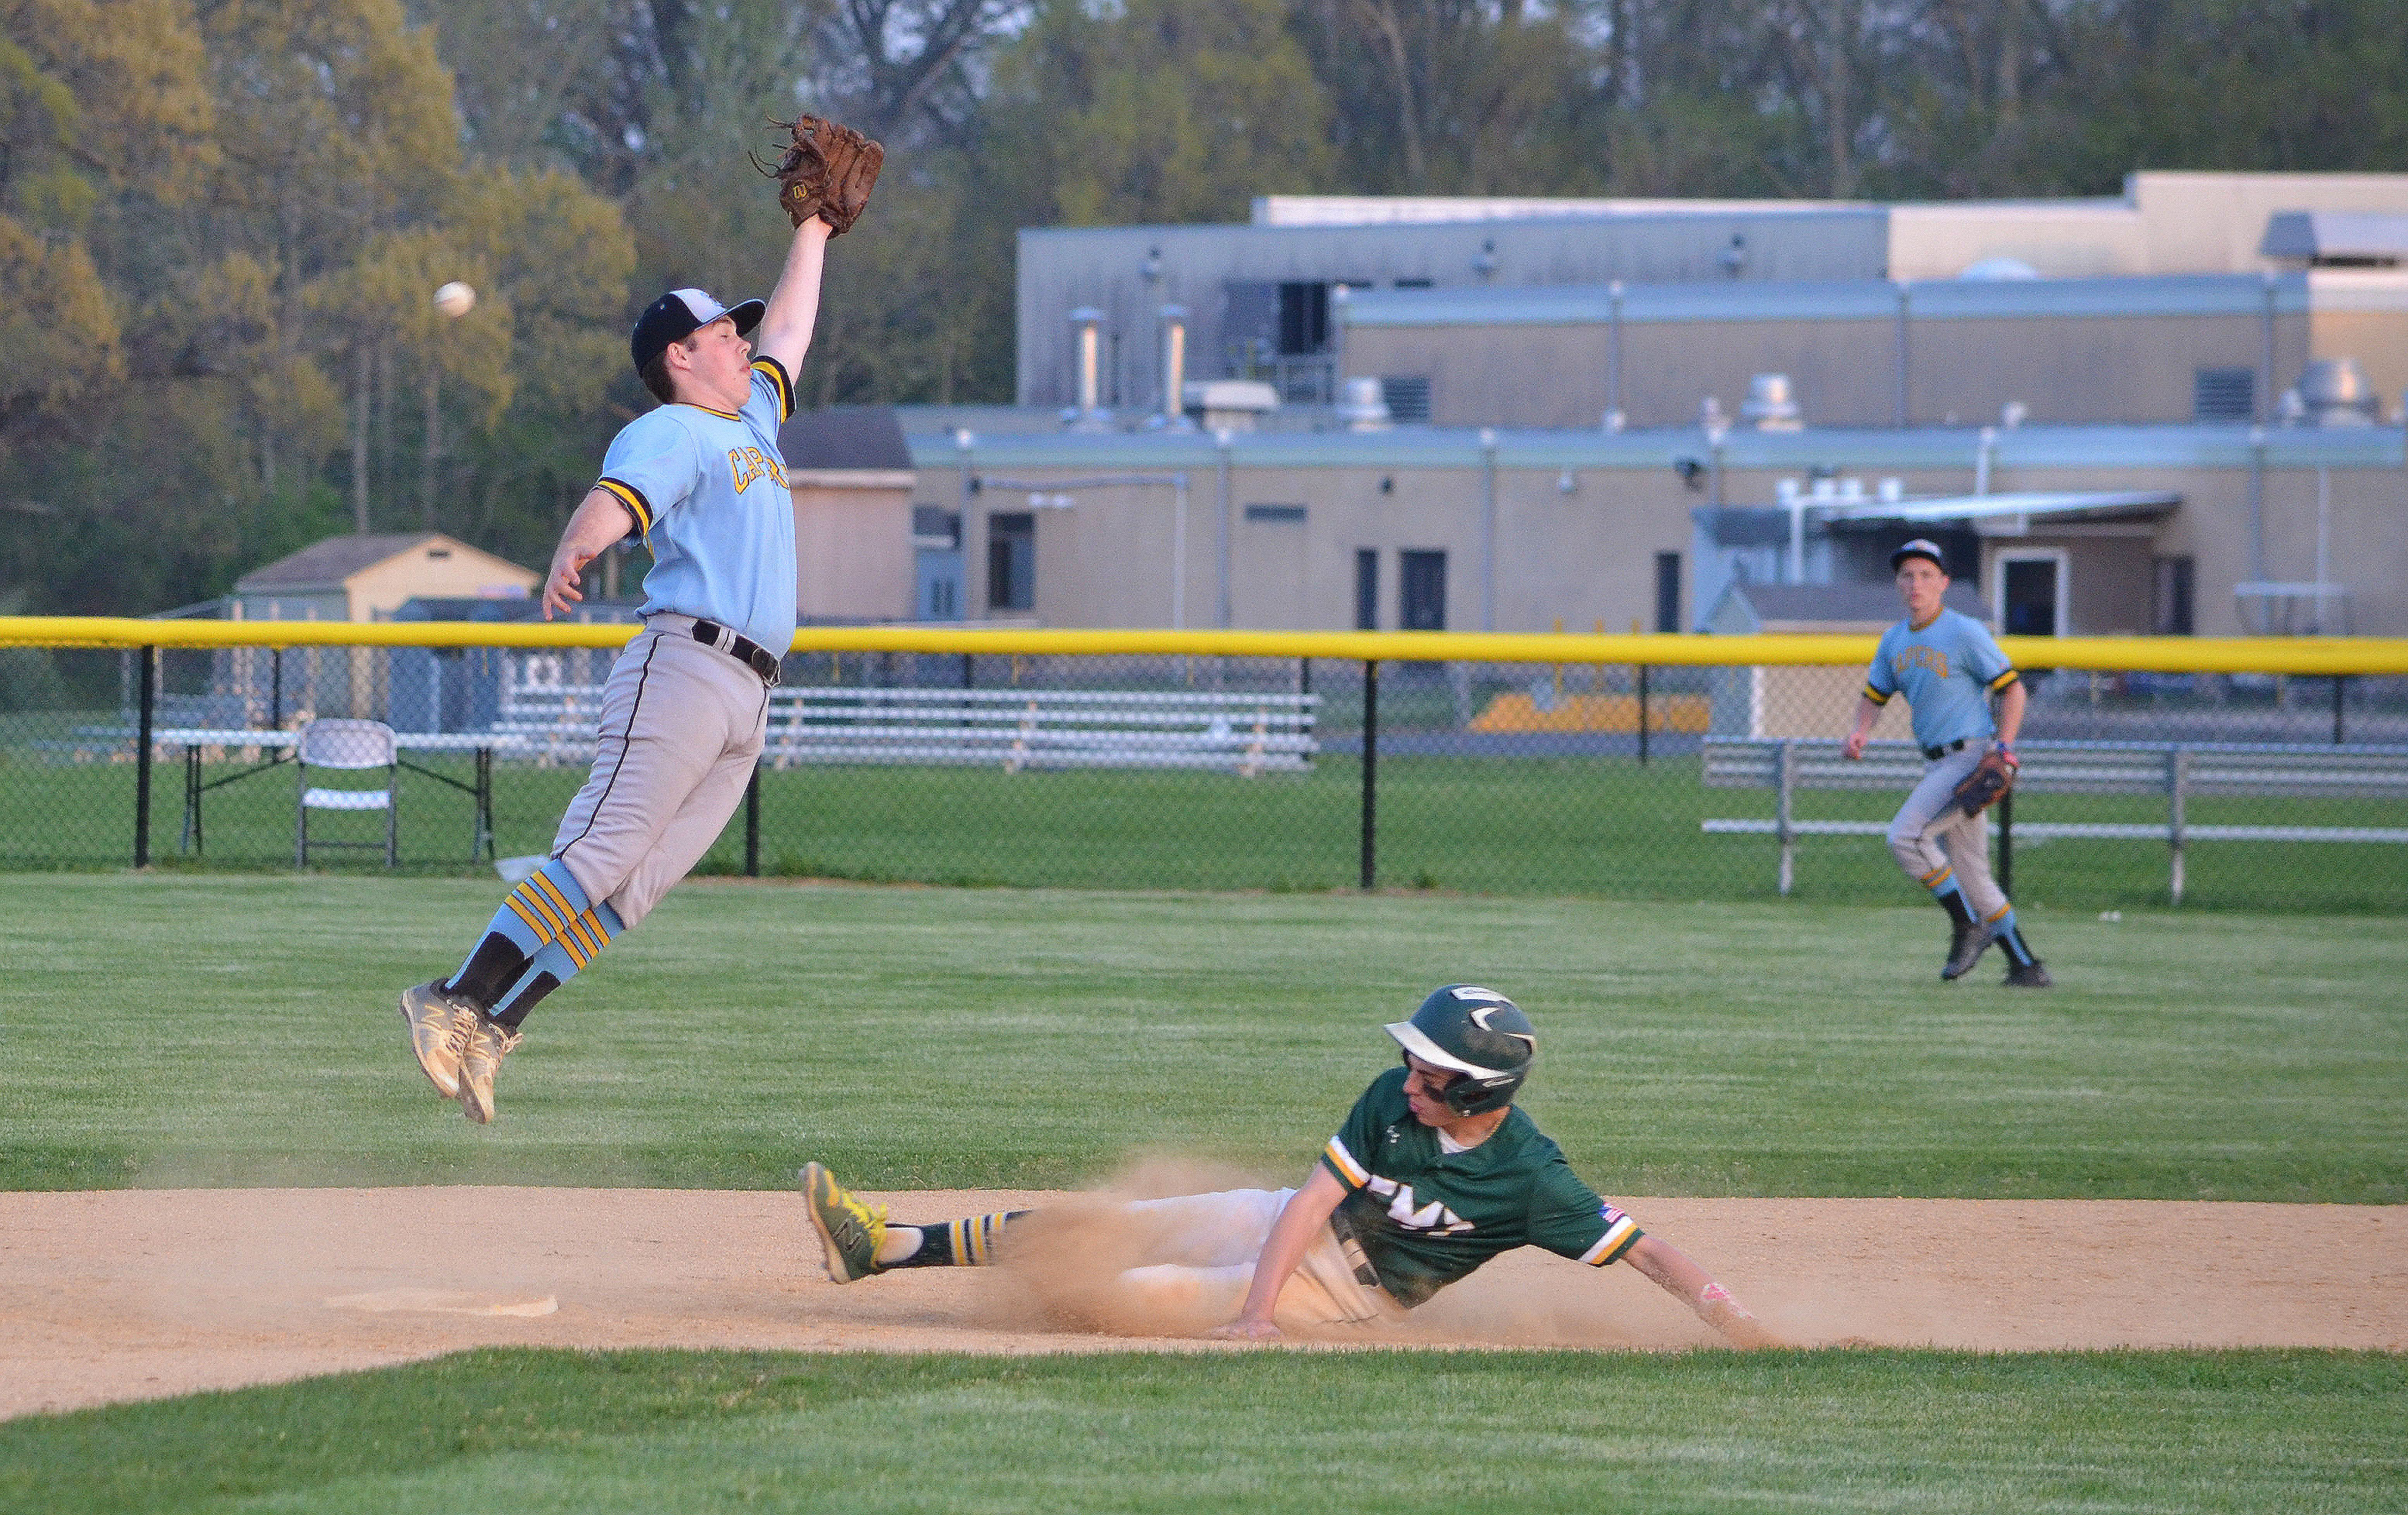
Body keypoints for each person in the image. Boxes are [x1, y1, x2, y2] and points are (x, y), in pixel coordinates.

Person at [397, 208, 838, 1122]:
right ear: (681, 355)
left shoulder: (753, 416)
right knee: (602, 853)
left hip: (750, 696)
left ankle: (497, 1026)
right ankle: (453, 997)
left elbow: (792, 329)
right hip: (684, 667)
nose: (738, 338)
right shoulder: (676, 430)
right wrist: (579, 546)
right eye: (721, 329)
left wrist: (817, 228)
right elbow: (615, 496)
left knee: (634, 889)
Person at [797, 985, 1777, 1346]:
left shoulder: (1532, 1179)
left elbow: (1647, 1256)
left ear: (1475, 1095)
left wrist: (1733, 1320)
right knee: (1108, 1225)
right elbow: (1309, 1205)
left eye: (1429, 1073)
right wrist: (1257, 1307)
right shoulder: (1388, 1101)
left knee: (1137, 1290)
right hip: (1293, 1233)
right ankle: (884, 1245)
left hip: (1348, 1298)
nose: (1407, 1081)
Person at [1842, 538, 2050, 987]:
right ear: (1899, 583)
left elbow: (2013, 688)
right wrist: (1862, 729)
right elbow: (1873, 695)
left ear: (1944, 583)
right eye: (1907, 574)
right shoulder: (1894, 639)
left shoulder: (1964, 631)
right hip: (1938, 764)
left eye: (1925, 574)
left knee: (1906, 836)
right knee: (1972, 870)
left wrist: (2004, 745)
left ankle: (1966, 924)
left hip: (1971, 756)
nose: (1915, 582)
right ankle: (2025, 966)